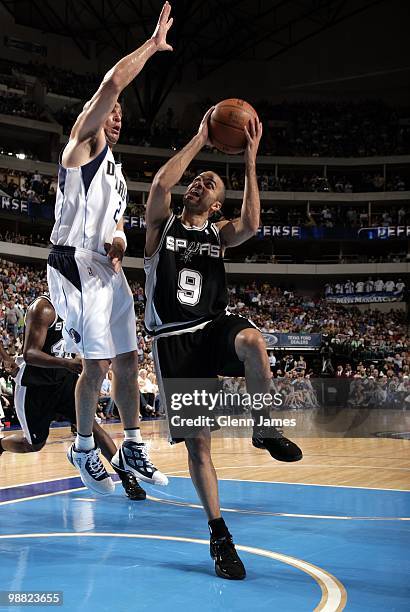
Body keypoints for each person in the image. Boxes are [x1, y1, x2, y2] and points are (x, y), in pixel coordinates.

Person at [144, 108, 302, 580]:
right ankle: (220, 535)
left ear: (217, 207)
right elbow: (157, 187)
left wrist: (250, 159)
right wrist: (200, 138)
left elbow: (251, 224)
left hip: (213, 327)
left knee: (254, 340)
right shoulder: (161, 228)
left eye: (210, 184)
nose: (199, 184)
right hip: (175, 341)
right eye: (197, 180)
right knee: (200, 449)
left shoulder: (219, 234)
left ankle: (264, 426)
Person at [46, 2, 173, 494]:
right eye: (111, 111)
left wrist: (119, 241)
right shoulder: (81, 145)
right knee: (96, 364)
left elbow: (117, 225)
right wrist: (153, 44)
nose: (116, 116)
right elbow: (113, 83)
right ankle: (82, 447)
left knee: (126, 357)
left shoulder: (118, 173)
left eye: (120, 115)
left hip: (105, 265)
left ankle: (135, 446)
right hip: (72, 263)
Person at [0, 295, 146, 501]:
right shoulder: (43, 308)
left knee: (93, 429)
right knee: (33, 444)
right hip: (35, 387)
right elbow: (30, 353)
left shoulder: (80, 308)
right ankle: (0, 444)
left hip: (65, 381)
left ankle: (128, 479)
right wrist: (67, 363)